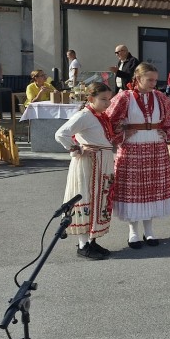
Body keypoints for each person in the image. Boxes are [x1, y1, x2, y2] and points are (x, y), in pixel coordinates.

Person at [105, 62, 170, 248]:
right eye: (149, 79)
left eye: (155, 80)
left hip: (156, 148)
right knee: (134, 190)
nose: (153, 83)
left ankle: (149, 232)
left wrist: (167, 133)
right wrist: (122, 134)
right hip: (131, 148)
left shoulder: (160, 97)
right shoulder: (124, 97)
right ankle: (133, 232)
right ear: (137, 78)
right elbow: (108, 121)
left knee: (151, 190)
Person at [54, 83, 120, 260]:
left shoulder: (99, 116)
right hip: (89, 163)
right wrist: (78, 150)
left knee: (99, 200)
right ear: (91, 99)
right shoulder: (85, 115)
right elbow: (61, 133)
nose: (107, 103)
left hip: (101, 162)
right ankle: (83, 244)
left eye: (109, 99)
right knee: (87, 198)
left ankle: (91, 241)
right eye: (103, 99)